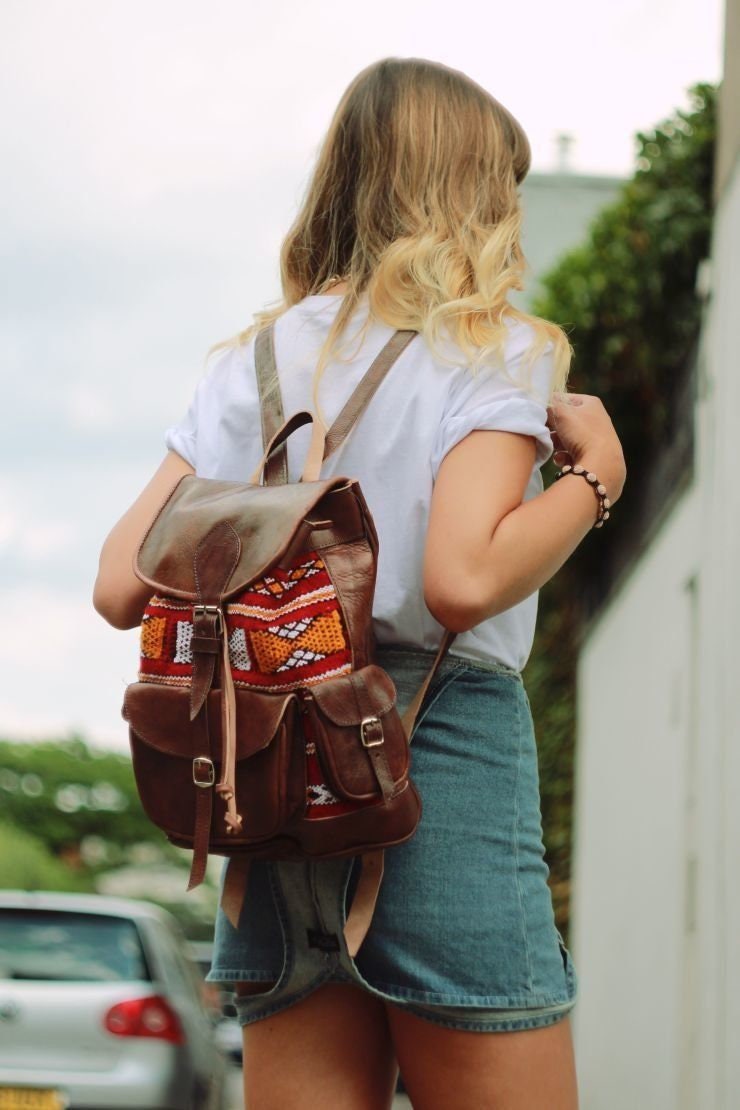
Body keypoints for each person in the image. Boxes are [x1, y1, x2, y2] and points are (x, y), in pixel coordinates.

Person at [94, 56, 625, 1110]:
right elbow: (463, 582)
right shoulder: (491, 349)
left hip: (267, 774)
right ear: (471, 194)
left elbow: (121, 585)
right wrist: (594, 478)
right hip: (430, 761)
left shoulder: (252, 365)